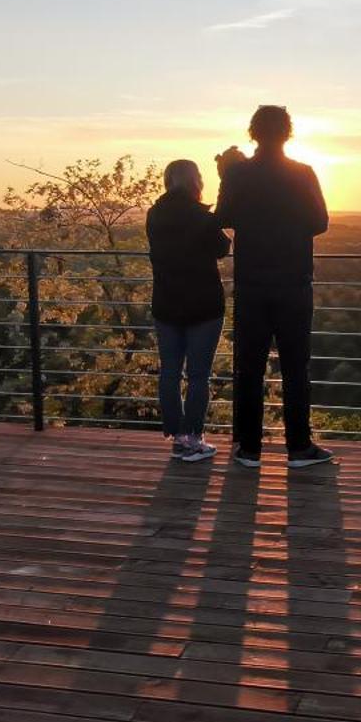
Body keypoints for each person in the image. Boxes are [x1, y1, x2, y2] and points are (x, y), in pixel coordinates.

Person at [213, 104, 334, 470]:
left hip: (251, 284)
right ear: (287, 133)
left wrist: (225, 175)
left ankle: (249, 448)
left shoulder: (239, 175)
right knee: (297, 368)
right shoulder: (303, 173)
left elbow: (222, 218)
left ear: (253, 133)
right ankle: (299, 447)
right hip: (293, 283)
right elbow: (320, 222)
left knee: (249, 368)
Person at [146, 158, 229, 462]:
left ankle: (177, 436)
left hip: (166, 303)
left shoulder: (154, 214)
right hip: (203, 305)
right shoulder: (201, 216)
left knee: (169, 372)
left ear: (168, 181)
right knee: (198, 376)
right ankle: (193, 438)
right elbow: (223, 248)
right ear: (196, 181)